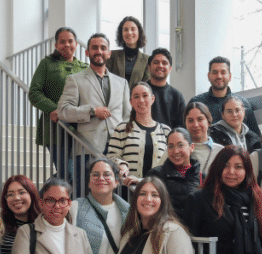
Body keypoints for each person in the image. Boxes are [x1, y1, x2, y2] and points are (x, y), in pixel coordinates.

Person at [57, 33, 131, 167]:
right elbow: (63, 111)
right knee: (85, 188)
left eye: (103, 48)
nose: (99, 51)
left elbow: (127, 117)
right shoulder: (75, 80)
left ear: (109, 53)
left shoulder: (122, 83)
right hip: (88, 149)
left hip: (118, 150)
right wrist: (92, 112)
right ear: (87, 52)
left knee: (118, 188)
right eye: (95, 48)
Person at [29, 27, 89, 178]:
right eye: (62, 42)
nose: (66, 45)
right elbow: (34, 92)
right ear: (56, 45)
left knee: (79, 173)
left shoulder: (85, 68)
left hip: (80, 128)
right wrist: (54, 109)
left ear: (76, 44)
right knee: (66, 173)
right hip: (56, 127)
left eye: (70, 41)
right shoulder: (47, 64)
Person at [106, 82, 170, 187]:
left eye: (145, 95)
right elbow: (111, 157)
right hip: (128, 191)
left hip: (156, 191)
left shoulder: (166, 131)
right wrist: (121, 165)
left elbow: (168, 164)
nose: (141, 100)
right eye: (136, 96)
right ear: (131, 102)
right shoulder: (122, 129)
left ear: (152, 99)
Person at [189, 56, 260, 136]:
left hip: (238, 148)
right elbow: (185, 134)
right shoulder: (196, 103)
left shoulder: (243, 103)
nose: (219, 76)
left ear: (230, 76)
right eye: (215, 72)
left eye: (223, 72)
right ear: (209, 76)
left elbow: (255, 136)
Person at [147, 128, 202, 212]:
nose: (175, 151)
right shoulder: (156, 174)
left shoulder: (202, 177)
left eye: (180, 145)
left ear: (192, 147)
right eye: (171, 146)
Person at [106, 16, 151, 89]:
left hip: (136, 99)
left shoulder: (147, 60)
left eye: (133, 29)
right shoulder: (112, 55)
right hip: (114, 98)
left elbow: (146, 85)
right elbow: (106, 80)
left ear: (139, 32)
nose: (129, 33)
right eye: (125, 30)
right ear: (121, 33)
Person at [146, 48, 186, 130]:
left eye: (164, 63)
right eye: (156, 62)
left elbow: (181, 127)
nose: (160, 66)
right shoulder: (140, 91)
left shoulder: (177, 96)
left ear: (170, 68)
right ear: (149, 67)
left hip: (168, 140)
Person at [184, 101, 223, 172]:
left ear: (208, 121)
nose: (195, 125)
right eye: (190, 120)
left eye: (200, 119)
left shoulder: (221, 152)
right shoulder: (175, 150)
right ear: (185, 123)